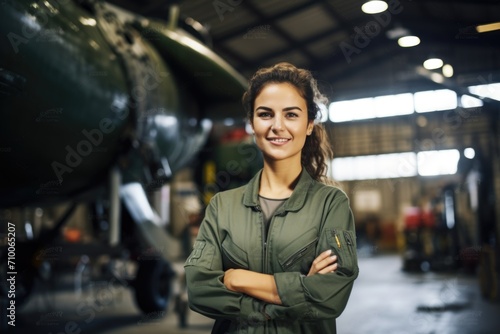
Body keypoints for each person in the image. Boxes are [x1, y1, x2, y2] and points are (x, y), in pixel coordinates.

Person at [184, 62, 359, 333]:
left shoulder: (330, 204)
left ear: (309, 124)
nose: (278, 126)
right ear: (252, 124)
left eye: (291, 115)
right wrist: (295, 291)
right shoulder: (222, 206)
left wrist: (237, 278)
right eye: (265, 114)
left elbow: (329, 296)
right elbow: (198, 289)